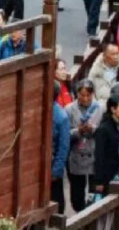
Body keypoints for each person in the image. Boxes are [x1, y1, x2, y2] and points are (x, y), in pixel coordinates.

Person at [66, 80, 102, 213]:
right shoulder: (69, 109)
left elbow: (105, 131)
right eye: (82, 95)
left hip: (94, 154)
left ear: (93, 94)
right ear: (77, 94)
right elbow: (65, 134)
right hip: (76, 155)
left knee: (95, 195)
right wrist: (78, 131)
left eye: (88, 95)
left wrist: (94, 129)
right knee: (77, 197)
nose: (85, 98)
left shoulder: (100, 108)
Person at [93, 90, 119, 195]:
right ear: (113, 109)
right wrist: (99, 181)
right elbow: (99, 156)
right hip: (108, 175)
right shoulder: (103, 129)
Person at [50, 83, 71, 213]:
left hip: (52, 164)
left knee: (56, 201)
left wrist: (56, 171)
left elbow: (63, 147)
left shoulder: (60, 116)